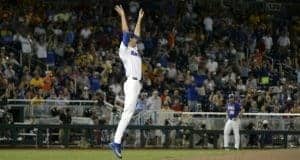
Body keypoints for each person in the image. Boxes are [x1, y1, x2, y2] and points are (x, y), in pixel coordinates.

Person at [109, 5, 144, 159]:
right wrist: (122, 14)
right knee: (127, 113)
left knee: (129, 113)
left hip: (136, 84)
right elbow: (126, 32)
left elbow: (136, 33)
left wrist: (139, 19)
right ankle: (116, 142)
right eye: (132, 38)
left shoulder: (134, 48)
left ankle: (116, 142)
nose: (135, 39)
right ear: (128, 40)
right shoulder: (124, 50)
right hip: (131, 82)